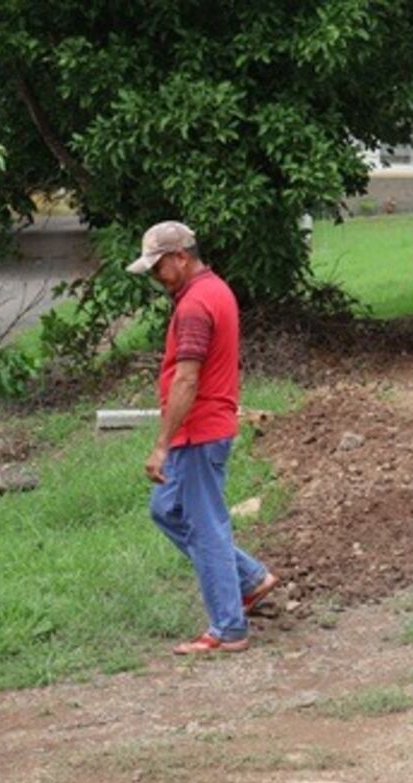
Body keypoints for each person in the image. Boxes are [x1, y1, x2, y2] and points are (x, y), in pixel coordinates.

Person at [127, 221, 278, 655]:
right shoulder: (213, 290)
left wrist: (161, 443)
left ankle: (228, 628)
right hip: (205, 427)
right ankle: (249, 579)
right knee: (166, 509)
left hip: (198, 431)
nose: (156, 277)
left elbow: (187, 379)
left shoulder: (195, 306)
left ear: (180, 256)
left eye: (158, 267)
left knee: (205, 527)